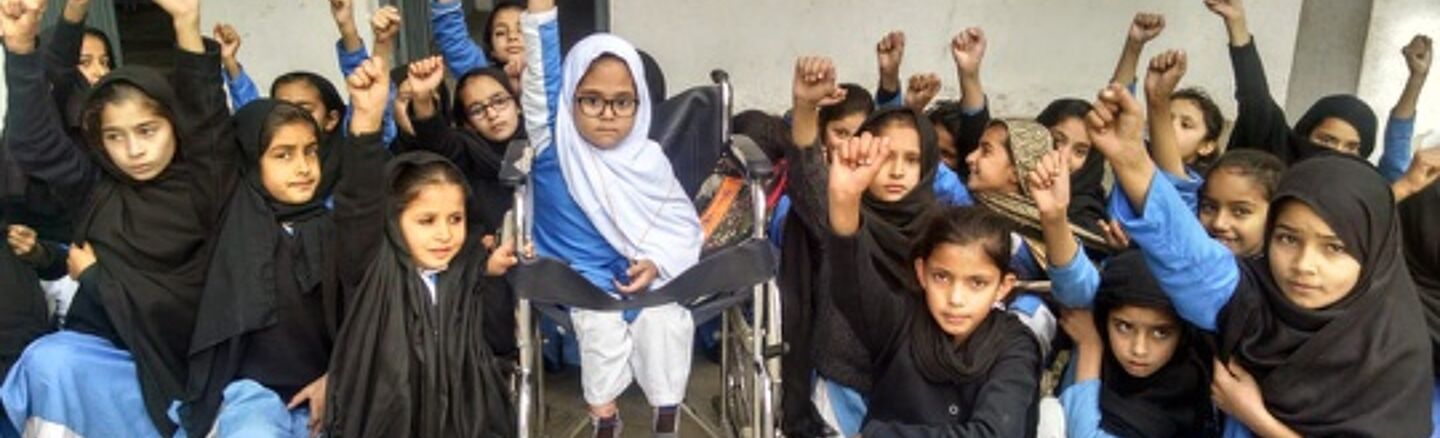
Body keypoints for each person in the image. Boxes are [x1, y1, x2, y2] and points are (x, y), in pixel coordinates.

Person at [1086, 81, 1431, 436]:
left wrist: (1257, 419)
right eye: (1287, 238)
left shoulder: (1393, 353)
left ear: (1372, 251)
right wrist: (1131, 160)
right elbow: (1191, 257)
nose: (1303, 264)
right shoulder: (1252, 300)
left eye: (1334, 248)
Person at [2, 0, 238, 434]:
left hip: (201, 368)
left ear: (174, 126)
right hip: (119, 358)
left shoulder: (205, 185)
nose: (134, 150)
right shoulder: (96, 188)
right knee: (47, 362)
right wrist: (19, 49)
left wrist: (186, 24)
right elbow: (35, 142)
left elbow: (208, 119)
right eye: (114, 136)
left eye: (147, 131)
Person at [521, 0, 703, 434]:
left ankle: (665, 415)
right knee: (599, 327)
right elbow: (541, 73)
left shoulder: (649, 160)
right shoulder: (554, 144)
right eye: (592, 100)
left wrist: (657, 261)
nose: (608, 114)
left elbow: (679, 225)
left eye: (623, 102)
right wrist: (541, 10)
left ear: (640, 104)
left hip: (642, 277)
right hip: (576, 278)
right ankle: (605, 416)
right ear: (570, 100)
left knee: (667, 321)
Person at [323, 55, 517, 438]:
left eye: (455, 219)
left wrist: (487, 268)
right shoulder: (373, 272)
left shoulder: (463, 270)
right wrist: (366, 119)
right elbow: (358, 203)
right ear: (394, 221)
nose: (444, 235)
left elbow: (493, 341)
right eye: (426, 221)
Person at [826, 132, 1039, 436]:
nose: (955, 298)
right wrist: (844, 200)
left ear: (1004, 287)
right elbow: (850, 281)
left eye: (977, 283)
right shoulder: (899, 320)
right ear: (922, 271)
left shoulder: (1014, 344)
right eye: (942, 277)